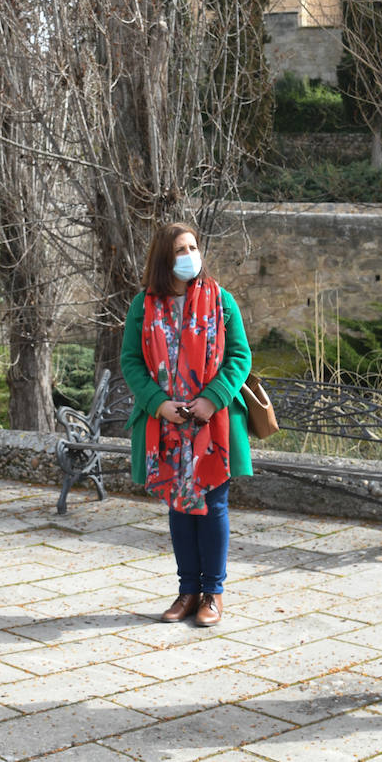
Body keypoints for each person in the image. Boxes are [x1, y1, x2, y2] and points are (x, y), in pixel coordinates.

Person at [120, 222, 252, 627]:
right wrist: (159, 404)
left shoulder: (221, 300)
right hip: (168, 425)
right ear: (163, 257)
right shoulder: (143, 305)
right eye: (180, 249)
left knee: (212, 506)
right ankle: (187, 591)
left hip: (213, 424)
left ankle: (213, 593)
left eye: (193, 247)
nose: (189, 256)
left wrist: (211, 400)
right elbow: (131, 362)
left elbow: (240, 357)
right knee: (179, 508)